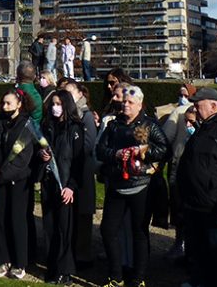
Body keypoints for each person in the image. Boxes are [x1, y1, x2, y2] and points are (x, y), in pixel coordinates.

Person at [95, 84, 168, 287]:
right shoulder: (114, 125)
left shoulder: (149, 125)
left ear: (139, 105)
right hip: (117, 183)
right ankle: (116, 276)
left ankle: (138, 279)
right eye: (124, 101)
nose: (125, 105)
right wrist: (116, 155)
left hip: (140, 185)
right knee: (108, 230)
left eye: (130, 102)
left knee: (139, 232)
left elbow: (164, 149)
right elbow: (100, 150)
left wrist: (143, 151)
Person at [175, 88, 217, 287]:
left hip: (214, 207)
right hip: (196, 205)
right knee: (199, 253)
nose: (195, 110)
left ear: (214, 106)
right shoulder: (204, 128)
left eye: (199, 106)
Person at [0, 89, 36, 279]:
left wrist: (3, 174)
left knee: (17, 220)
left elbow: (24, 157)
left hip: (19, 180)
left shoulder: (28, 125)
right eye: (3, 103)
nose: (5, 107)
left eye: (9, 103)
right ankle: (2, 259)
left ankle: (19, 262)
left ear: (19, 104)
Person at [40, 89, 85, 285]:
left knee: (64, 228)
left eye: (59, 104)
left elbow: (78, 161)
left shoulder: (75, 128)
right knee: (50, 226)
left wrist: (71, 186)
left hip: (66, 184)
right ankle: (52, 266)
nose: (55, 108)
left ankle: (65, 270)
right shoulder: (47, 126)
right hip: (49, 183)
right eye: (53, 104)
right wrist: (43, 157)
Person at [61, 80, 97, 268]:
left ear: (78, 94)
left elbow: (89, 145)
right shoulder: (68, 114)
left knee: (83, 213)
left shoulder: (86, 115)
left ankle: (82, 254)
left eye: (68, 93)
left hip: (82, 169)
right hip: (69, 168)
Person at [161, 83, 197, 259]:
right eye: (180, 93)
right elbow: (167, 137)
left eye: (185, 94)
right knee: (178, 205)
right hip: (179, 162)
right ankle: (180, 243)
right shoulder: (178, 113)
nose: (182, 97)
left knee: (181, 205)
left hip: (184, 163)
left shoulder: (181, 112)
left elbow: (166, 137)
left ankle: (183, 244)